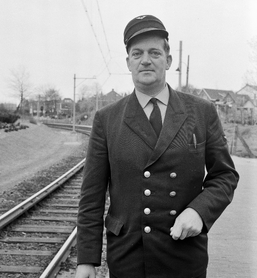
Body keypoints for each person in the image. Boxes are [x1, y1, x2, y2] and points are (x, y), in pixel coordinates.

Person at [75, 15, 239, 278]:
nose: (146, 60)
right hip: (128, 254)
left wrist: (199, 211)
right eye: (137, 53)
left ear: (168, 60)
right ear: (128, 62)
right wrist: (87, 259)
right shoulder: (107, 119)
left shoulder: (201, 112)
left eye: (154, 52)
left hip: (184, 253)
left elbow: (225, 175)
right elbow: (92, 196)